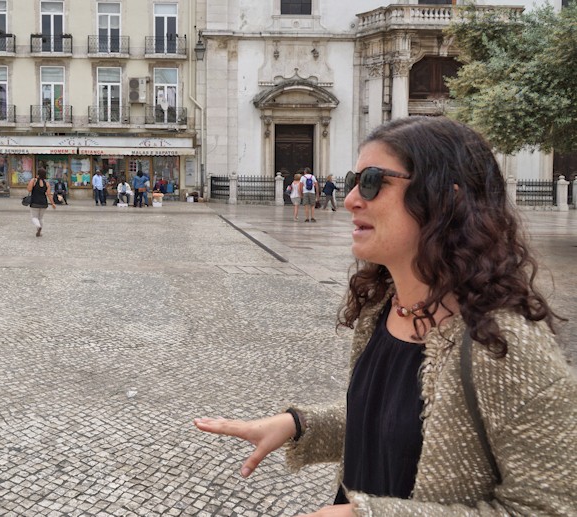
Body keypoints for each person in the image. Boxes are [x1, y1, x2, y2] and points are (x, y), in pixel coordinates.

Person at [194, 117, 576, 516]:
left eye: (374, 181)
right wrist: (297, 424)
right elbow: (404, 421)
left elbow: (550, 508)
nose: (351, 199)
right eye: (353, 180)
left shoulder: (505, 344)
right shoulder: (383, 308)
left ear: (446, 199)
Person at [27, 168, 56, 237]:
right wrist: (53, 203)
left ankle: (38, 226)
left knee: (34, 217)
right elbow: (49, 194)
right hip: (43, 203)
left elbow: (29, 189)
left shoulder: (33, 180)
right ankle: (39, 231)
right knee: (41, 218)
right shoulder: (47, 183)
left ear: (38, 174)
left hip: (34, 202)